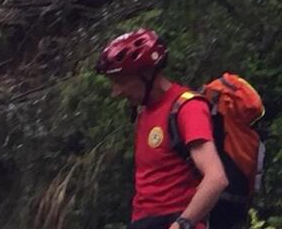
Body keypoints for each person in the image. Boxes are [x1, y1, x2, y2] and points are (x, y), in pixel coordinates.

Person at [96, 29, 228, 229]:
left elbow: (216, 178)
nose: (116, 92)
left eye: (121, 82)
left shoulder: (187, 108)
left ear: (147, 74)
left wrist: (181, 224)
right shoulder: (145, 112)